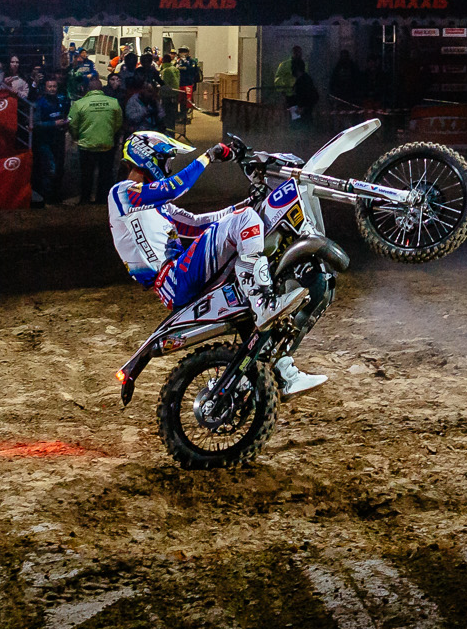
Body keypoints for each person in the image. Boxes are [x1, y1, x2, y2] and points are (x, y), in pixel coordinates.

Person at [108, 130, 326, 399]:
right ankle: (263, 302)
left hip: (181, 275)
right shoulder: (122, 194)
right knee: (245, 219)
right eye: (166, 160)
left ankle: (283, 373)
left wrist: (249, 202)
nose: (168, 167)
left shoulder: (157, 206)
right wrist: (208, 156)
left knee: (244, 231)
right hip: (174, 277)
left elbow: (197, 224)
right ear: (148, 158)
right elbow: (175, 187)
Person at [70, 74, 124, 206]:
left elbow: (72, 124)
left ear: (88, 89)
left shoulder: (79, 104)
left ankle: (85, 199)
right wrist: (110, 134)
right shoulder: (113, 102)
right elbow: (118, 122)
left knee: (86, 174)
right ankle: (102, 200)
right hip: (107, 144)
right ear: (102, 89)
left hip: (86, 145)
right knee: (105, 174)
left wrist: (76, 136)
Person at [28, 70, 71, 207]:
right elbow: (36, 124)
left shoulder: (61, 100)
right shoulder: (40, 103)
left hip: (58, 139)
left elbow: (65, 114)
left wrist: (65, 123)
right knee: (49, 169)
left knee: (59, 168)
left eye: (54, 86)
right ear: (45, 88)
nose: (52, 89)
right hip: (44, 141)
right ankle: (47, 197)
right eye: (50, 87)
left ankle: (56, 195)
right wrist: (54, 124)